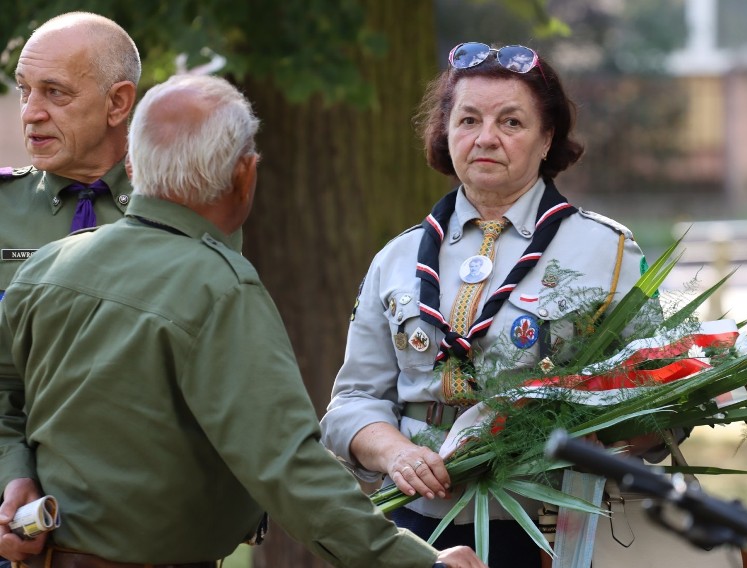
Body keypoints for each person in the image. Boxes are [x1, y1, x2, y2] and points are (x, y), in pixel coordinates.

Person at [0, 74, 486, 568]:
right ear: (244, 175)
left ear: (132, 162)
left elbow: (6, 401)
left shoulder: (45, 267)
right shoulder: (219, 287)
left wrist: (13, 477)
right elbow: (290, 468)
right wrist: (420, 564)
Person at [320, 42, 714, 567]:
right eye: (469, 120)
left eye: (511, 122)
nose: (486, 138)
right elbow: (351, 404)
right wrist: (397, 454)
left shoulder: (606, 251)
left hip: (549, 529)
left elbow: (663, 395)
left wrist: (594, 440)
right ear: (447, 132)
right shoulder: (396, 257)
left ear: (547, 137)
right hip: (414, 529)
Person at [0, 12, 140, 300]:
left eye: (55, 92)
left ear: (117, 103)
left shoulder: (180, 211)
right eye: (25, 90)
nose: (30, 113)